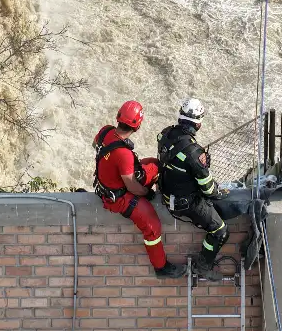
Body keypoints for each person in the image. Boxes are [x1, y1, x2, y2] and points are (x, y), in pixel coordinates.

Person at [95, 101, 186, 278]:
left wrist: (111, 165)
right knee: (153, 227)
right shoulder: (124, 154)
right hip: (120, 198)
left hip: (106, 185)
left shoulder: (105, 131)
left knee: (153, 164)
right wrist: (148, 193)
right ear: (137, 125)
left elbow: (96, 145)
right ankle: (161, 267)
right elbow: (132, 186)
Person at [157, 97, 246, 277]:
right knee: (219, 231)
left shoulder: (165, 135)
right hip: (185, 203)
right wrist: (219, 190)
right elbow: (208, 189)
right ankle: (203, 267)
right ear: (198, 124)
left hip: (167, 193)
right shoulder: (194, 152)